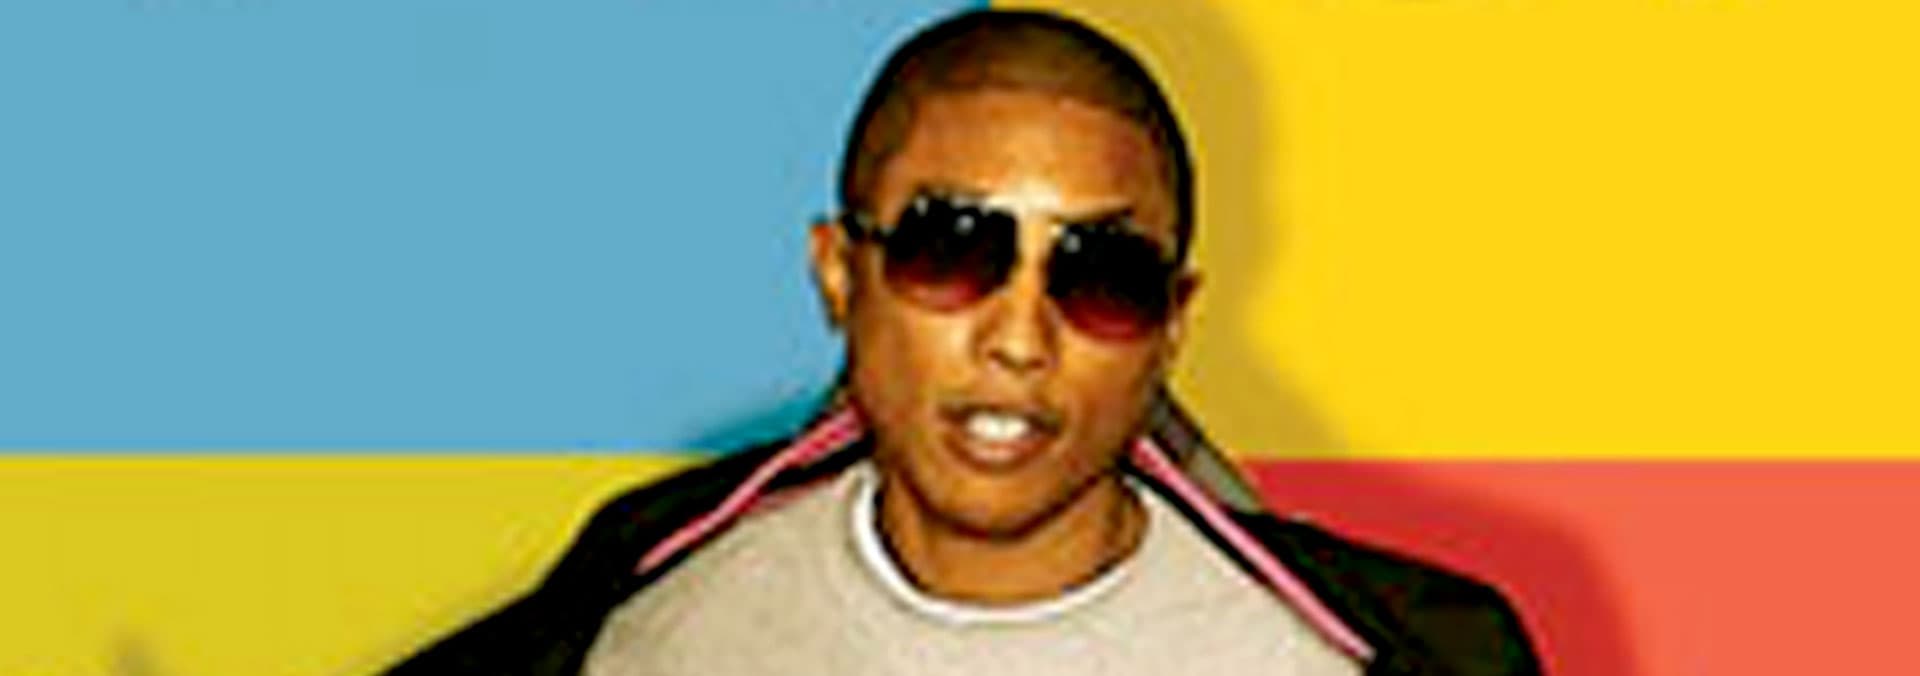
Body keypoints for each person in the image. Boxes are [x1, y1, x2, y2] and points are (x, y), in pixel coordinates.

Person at [389, 9, 1538, 675]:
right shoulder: (649, 625)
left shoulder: (1360, 656)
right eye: (951, 250)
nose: (1019, 336)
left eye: (1103, 276)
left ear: (1172, 325)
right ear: (841, 275)